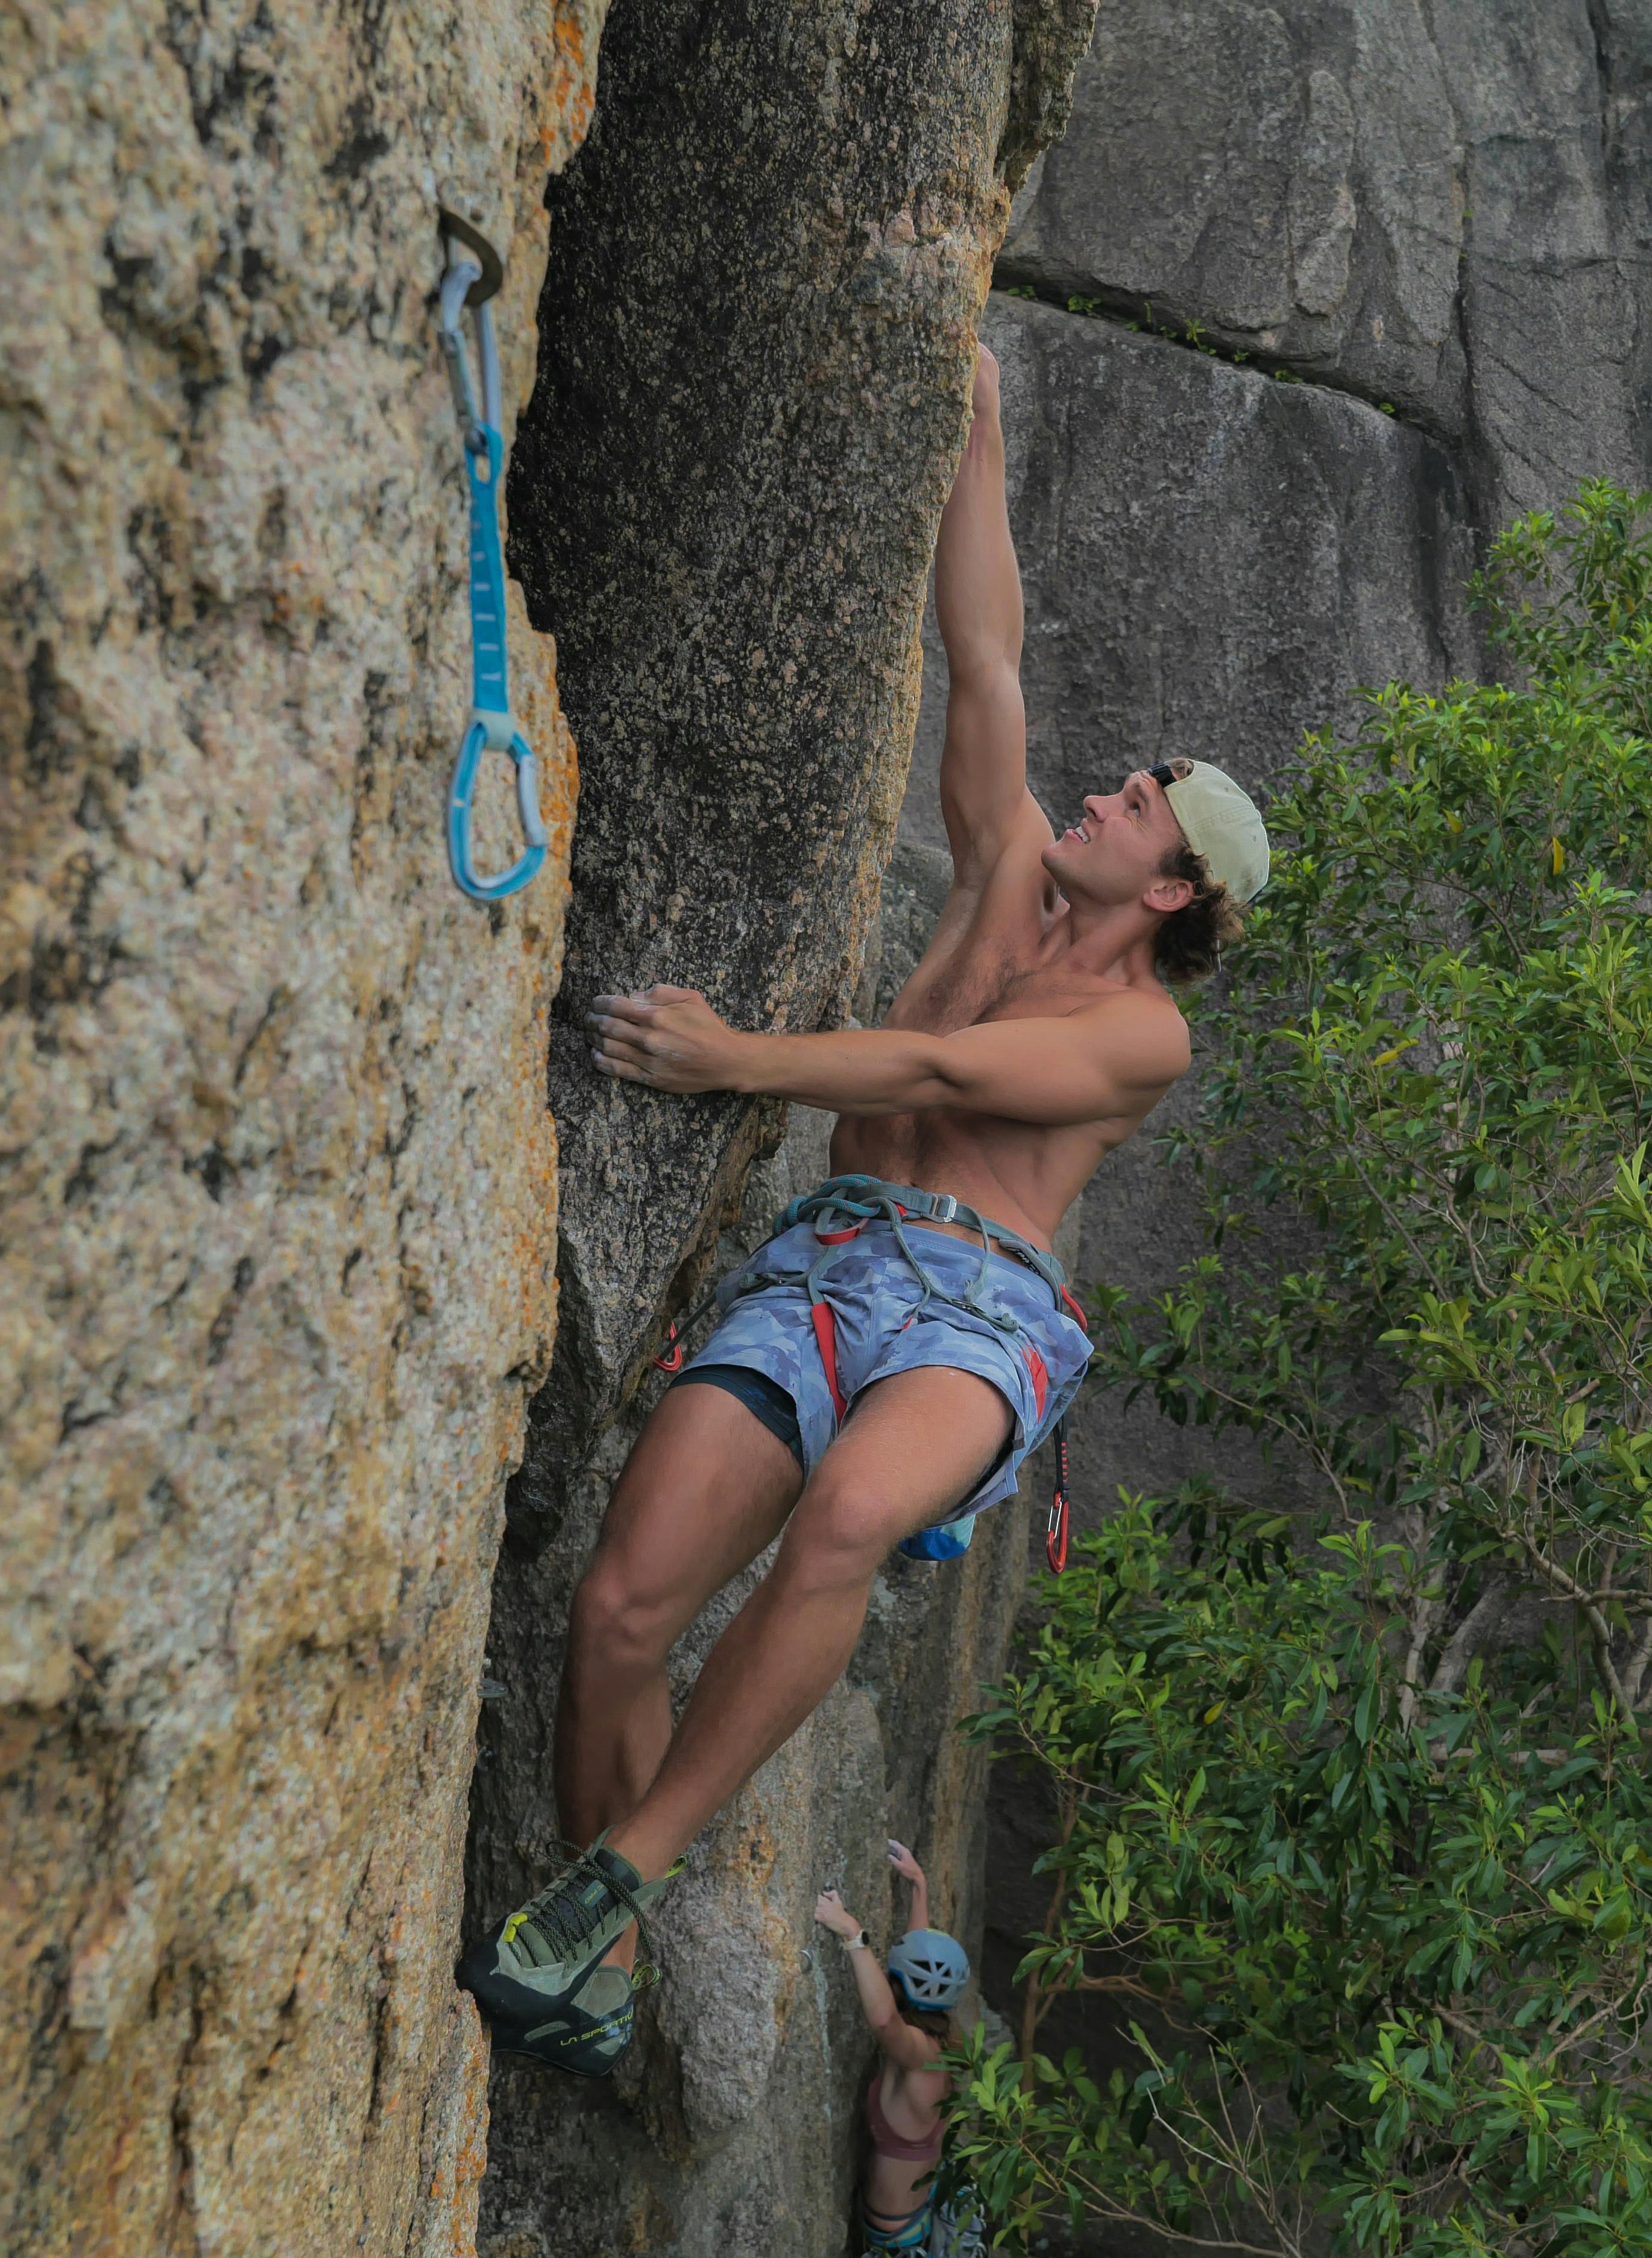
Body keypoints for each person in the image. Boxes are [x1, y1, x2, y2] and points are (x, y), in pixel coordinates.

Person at [460, 343, 1272, 2074]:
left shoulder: (1146, 1033)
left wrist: (735, 1058)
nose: (1106, 794)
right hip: (827, 1265)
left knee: (844, 1516)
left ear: (1175, 888)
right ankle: (599, 1959)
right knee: (617, 1616)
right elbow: (985, 651)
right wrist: (979, 424)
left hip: (976, 1317)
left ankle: (621, 1871)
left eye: (1140, 806)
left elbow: (951, 1069)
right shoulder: (1004, 869)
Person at [813, 1840, 968, 2252]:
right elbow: (921, 1963)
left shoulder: (920, 2054)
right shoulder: (939, 2033)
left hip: (897, 2238)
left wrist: (853, 1935)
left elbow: (885, 2021)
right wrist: (919, 1886)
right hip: (913, 2213)